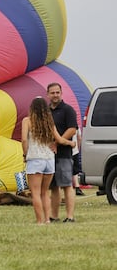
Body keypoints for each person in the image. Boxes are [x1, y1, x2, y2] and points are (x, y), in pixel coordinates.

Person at [21, 96, 57, 224]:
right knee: (45, 192)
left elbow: (24, 140)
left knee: (35, 193)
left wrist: (25, 154)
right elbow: (56, 139)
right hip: (49, 159)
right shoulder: (49, 122)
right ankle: (47, 219)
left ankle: (39, 221)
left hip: (35, 158)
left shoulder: (27, 121)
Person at [47, 81, 78, 222]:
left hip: (64, 155)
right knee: (53, 187)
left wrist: (58, 142)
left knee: (66, 185)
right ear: (48, 94)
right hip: (48, 155)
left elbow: (72, 129)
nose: (55, 95)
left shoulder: (68, 110)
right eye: (52, 93)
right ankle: (54, 216)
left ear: (61, 93)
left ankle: (70, 217)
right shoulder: (46, 112)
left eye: (57, 92)